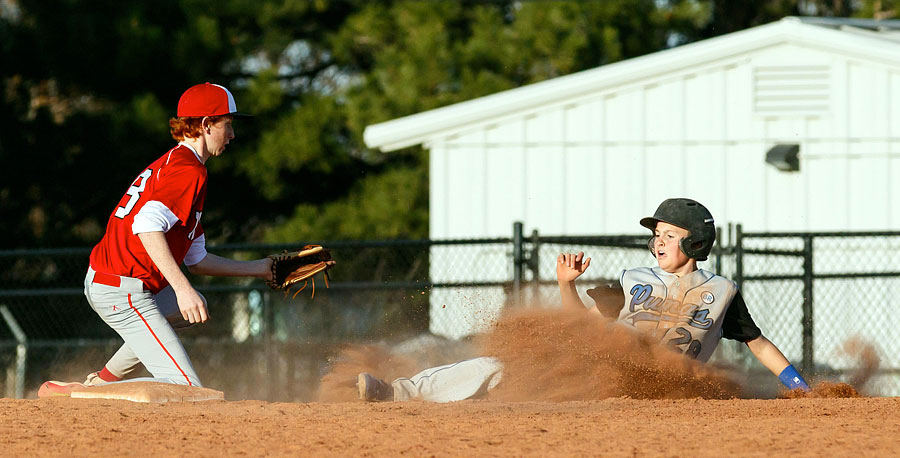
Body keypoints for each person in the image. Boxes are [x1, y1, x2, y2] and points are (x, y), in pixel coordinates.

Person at [356, 198, 810, 402]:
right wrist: (565, 287)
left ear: (696, 244)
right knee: (503, 369)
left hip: (666, 392)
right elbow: (582, 329)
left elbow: (758, 344)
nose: (658, 243)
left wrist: (798, 385)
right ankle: (400, 391)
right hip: (607, 374)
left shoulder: (719, 293)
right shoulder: (632, 282)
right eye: (656, 236)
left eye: (669, 235)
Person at [39, 83, 275, 397]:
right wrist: (182, 287)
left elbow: (197, 259)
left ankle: (103, 383)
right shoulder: (188, 171)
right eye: (227, 124)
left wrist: (261, 269)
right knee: (187, 390)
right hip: (122, 288)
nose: (231, 134)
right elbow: (146, 225)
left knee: (186, 310)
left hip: (120, 282)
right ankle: (81, 394)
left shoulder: (179, 164)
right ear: (205, 125)